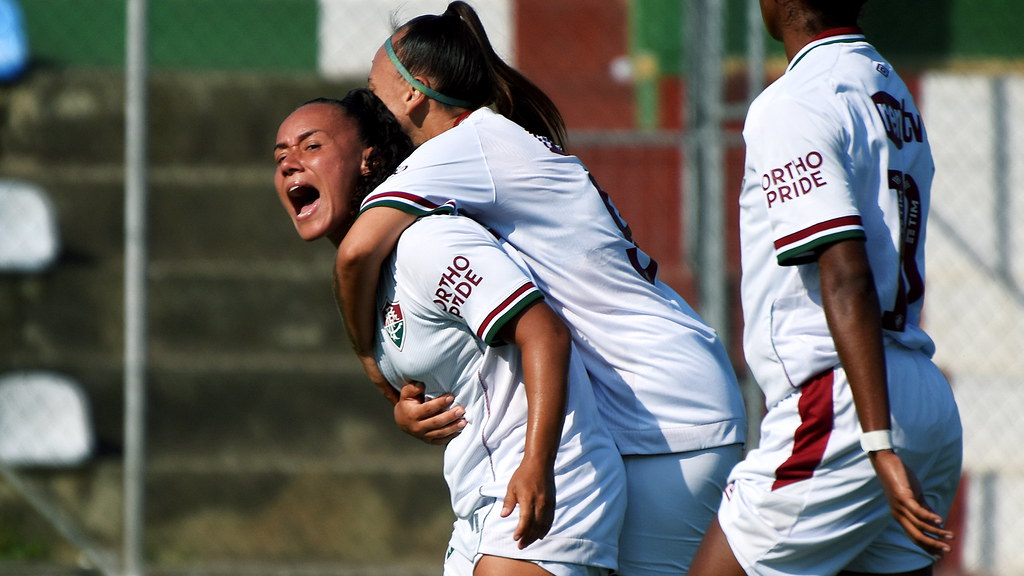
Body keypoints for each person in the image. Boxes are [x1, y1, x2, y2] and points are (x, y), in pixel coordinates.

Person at [334, 2, 748, 574]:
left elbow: (356, 252)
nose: (367, 99)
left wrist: (369, 363)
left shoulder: (462, 148)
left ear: (414, 93)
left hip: (662, 408)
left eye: (376, 85)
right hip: (668, 397)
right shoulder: (486, 145)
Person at [274, 89, 627, 576]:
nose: (291, 163)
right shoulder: (369, 280)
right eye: (281, 156)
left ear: (368, 161)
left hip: (545, 482)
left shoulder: (426, 242)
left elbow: (546, 334)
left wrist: (537, 466)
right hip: (478, 503)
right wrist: (407, 411)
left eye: (311, 146)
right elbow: (441, 372)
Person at [687, 1, 963, 575]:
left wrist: (876, 440)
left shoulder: (794, 101)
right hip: (919, 390)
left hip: (846, 403)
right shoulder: (889, 90)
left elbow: (845, 273)